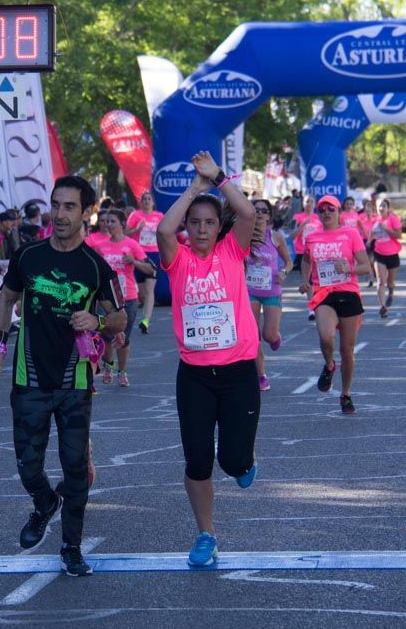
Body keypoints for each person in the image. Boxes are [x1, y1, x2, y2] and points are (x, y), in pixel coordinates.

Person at [0, 175, 126, 577]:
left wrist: (96, 319)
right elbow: (6, 298)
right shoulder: (28, 256)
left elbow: (119, 318)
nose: (59, 214)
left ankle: (71, 546)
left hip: (74, 382)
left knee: (75, 467)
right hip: (28, 378)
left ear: (86, 213)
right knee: (28, 467)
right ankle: (45, 502)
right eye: (55, 205)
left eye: (69, 207)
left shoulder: (95, 266)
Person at [157, 150, 259, 568]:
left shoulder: (232, 253)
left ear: (220, 228)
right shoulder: (177, 260)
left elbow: (247, 210)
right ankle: (206, 534)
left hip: (237, 373)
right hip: (195, 376)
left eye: (209, 223)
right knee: (198, 459)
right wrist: (193, 190)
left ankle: (244, 460)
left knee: (232, 461)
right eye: (195, 223)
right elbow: (164, 228)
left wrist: (217, 178)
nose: (200, 229)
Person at [299, 194, 371, 414]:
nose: (327, 213)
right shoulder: (312, 237)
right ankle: (330, 365)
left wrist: (348, 269)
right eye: (322, 210)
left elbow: (366, 266)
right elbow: (306, 260)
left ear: (339, 212)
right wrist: (304, 281)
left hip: (348, 292)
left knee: (347, 350)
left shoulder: (351, 234)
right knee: (326, 336)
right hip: (324, 294)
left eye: (331, 209)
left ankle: (346, 393)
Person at [92, 207, 152, 388]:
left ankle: (122, 372)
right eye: (106, 221)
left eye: (112, 221)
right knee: (107, 335)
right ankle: (109, 366)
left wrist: (133, 261)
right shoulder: (99, 246)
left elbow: (150, 269)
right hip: (106, 298)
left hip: (128, 297)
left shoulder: (131, 245)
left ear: (122, 224)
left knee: (123, 337)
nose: (108, 225)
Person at [246, 199, 292, 392]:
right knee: (253, 335)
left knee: (268, 334)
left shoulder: (276, 237)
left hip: (272, 290)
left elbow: (288, 262)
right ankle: (261, 375)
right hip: (250, 292)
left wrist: (284, 272)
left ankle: (275, 337)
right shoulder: (244, 236)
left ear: (269, 215)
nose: (260, 213)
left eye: (264, 210)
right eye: (256, 210)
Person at [126, 191, 163, 334]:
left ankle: (145, 321)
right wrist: (136, 228)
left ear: (153, 202)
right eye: (144, 199)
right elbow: (125, 234)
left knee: (149, 290)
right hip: (138, 254)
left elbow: (165, 232)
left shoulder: (159, 216)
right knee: (142, 292)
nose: (147, 201)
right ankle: (144, 317)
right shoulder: (135, 216)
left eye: (149, 199)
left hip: (153, 254)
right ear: (141, 202)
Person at [369, 198, 402, 318]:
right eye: (379, 206)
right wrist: (369, 241)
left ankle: (391, 293)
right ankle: (382, 306)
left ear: (388, 208)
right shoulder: (374, 221)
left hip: (393, 254)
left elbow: (399, 235)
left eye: (383, 206)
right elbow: (371, 235)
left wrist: (386, 228)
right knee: (380, 281)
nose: (381, 208)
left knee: (390, 282)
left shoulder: (393, 219)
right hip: (379, 254)